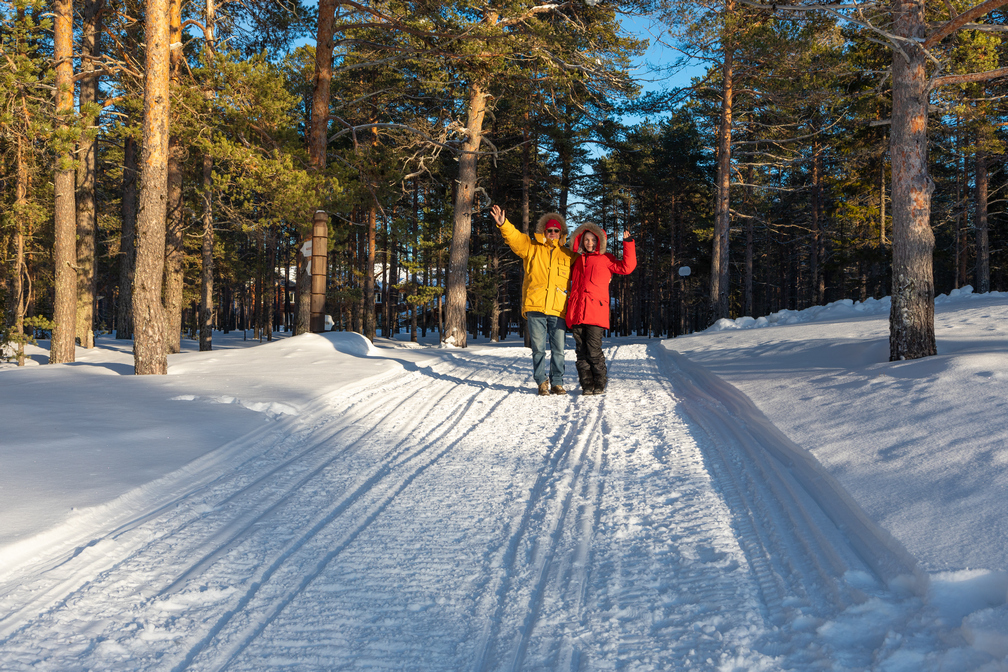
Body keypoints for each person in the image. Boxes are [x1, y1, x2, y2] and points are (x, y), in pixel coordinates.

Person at [491, 204, 575, 396]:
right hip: (535, 306)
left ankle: (557, 382)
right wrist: (504, 224)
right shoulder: (532, 248)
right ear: (544, 231)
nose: (553, 233)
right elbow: (515, 239)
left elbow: (587, 267)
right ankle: (541, 382)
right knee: (538, 348)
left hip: (558, 308)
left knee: (559, 349)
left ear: (561, 233)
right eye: (549, 230)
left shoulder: (568, 255)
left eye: (556, 230)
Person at [566, 221, 636, 395]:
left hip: (596, 312)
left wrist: (628, 244)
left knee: (593, 350)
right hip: (576, 312)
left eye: (593, 240)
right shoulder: (576, 260)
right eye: (586, 240)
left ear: (599, 241)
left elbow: (627, 267)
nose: (590, 243)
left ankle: (599, 382)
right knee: (581, 352)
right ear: (581, 241)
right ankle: (587, 385)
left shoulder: (607, 258)